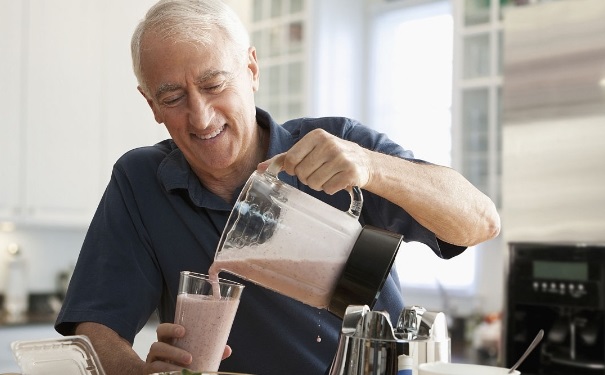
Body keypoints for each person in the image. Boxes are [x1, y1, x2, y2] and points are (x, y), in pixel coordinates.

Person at [55, 0, 501, 374]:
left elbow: (479, 223)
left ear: (251, 69)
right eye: (173, 98)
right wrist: (138, 373)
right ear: (151, 104)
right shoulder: (141, 181)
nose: (202, 116)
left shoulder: (338, 146)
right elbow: (94, 327)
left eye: (214, 84)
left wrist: (372, 167)